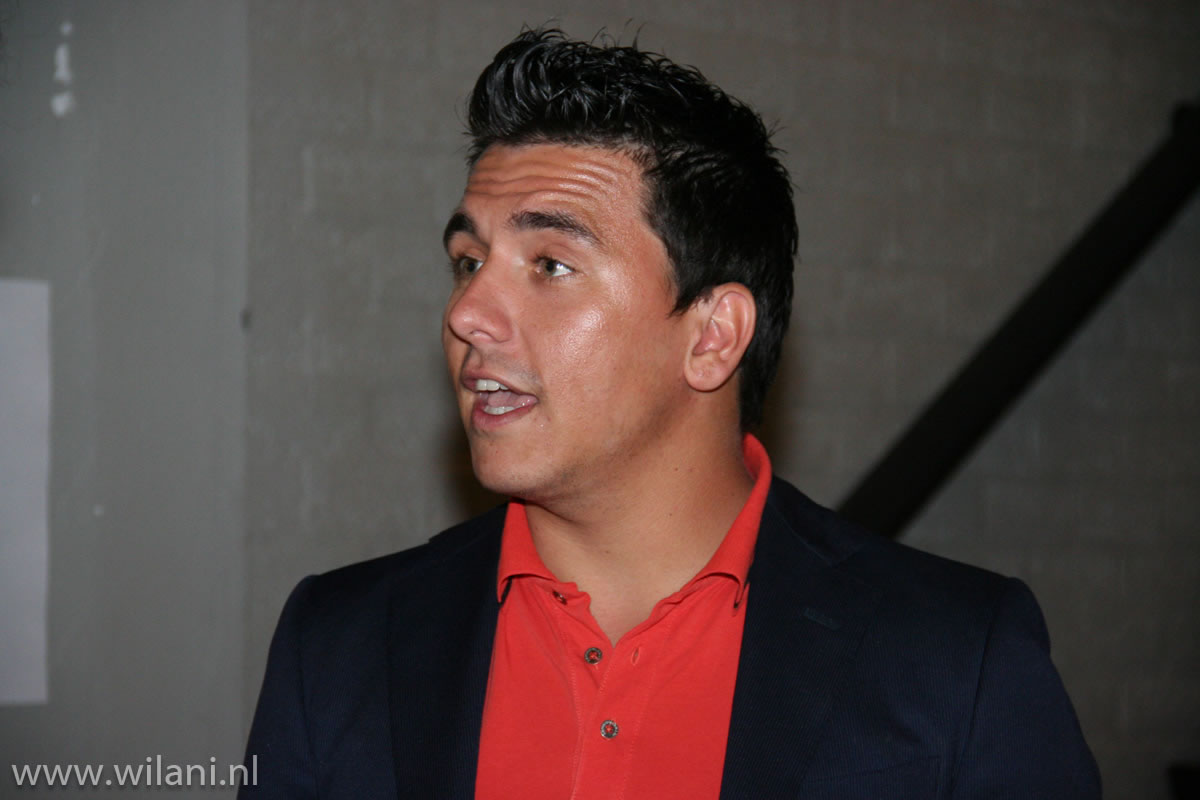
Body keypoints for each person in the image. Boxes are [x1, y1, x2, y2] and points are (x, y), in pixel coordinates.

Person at [241, 28, 1100, 799]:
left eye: (550, 265)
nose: (467, 314)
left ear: (712, 337)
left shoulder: (957, 663)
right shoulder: (340, 643)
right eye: (469, 262)